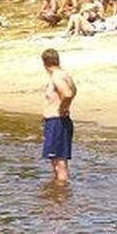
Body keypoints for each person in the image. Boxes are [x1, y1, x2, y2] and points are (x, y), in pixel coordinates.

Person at [42, 48, 77, 182]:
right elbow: (73, 92)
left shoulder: (57, 77)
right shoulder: (65, 75)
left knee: (59, 163)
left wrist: (61, 109)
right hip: (59, 121)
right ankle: (59, 195)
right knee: (58, 161)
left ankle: (60, 197)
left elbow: (67, 94)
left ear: (44, 64)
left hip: (57, 121)